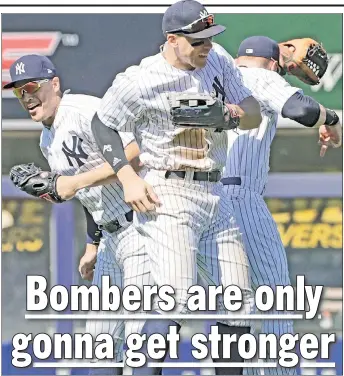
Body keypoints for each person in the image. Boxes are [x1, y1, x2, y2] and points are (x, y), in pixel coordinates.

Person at [90, 1, 262, 375]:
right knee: (174, 301)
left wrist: (230, 115)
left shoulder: (217, 60)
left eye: (209, 37)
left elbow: (252, 112)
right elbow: (102, 125)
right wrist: (127, 176)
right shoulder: (142, 79)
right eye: (197, 40)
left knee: (239, 303)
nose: (206, 46)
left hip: (215, 193)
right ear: (172, 39)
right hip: (169, 193)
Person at [4, 54, 151, 376]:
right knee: (99, 346)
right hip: (112, 237)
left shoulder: (83, 109)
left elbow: (137, 152)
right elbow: (88, 197)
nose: (26, 96)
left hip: (143, 225)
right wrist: (93, 244)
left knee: (140, 339)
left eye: (31, 86)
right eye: (18, 91)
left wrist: (75, 181)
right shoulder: (47, 138)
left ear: (54, 84)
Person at [217, 36, 342, 375]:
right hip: (240, 198)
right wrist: (331, 118)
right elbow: (301, 110)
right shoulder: (261, 76)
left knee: (231, 305)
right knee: (275, 298)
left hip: (206, 200)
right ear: (273, 59)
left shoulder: (218, 74)